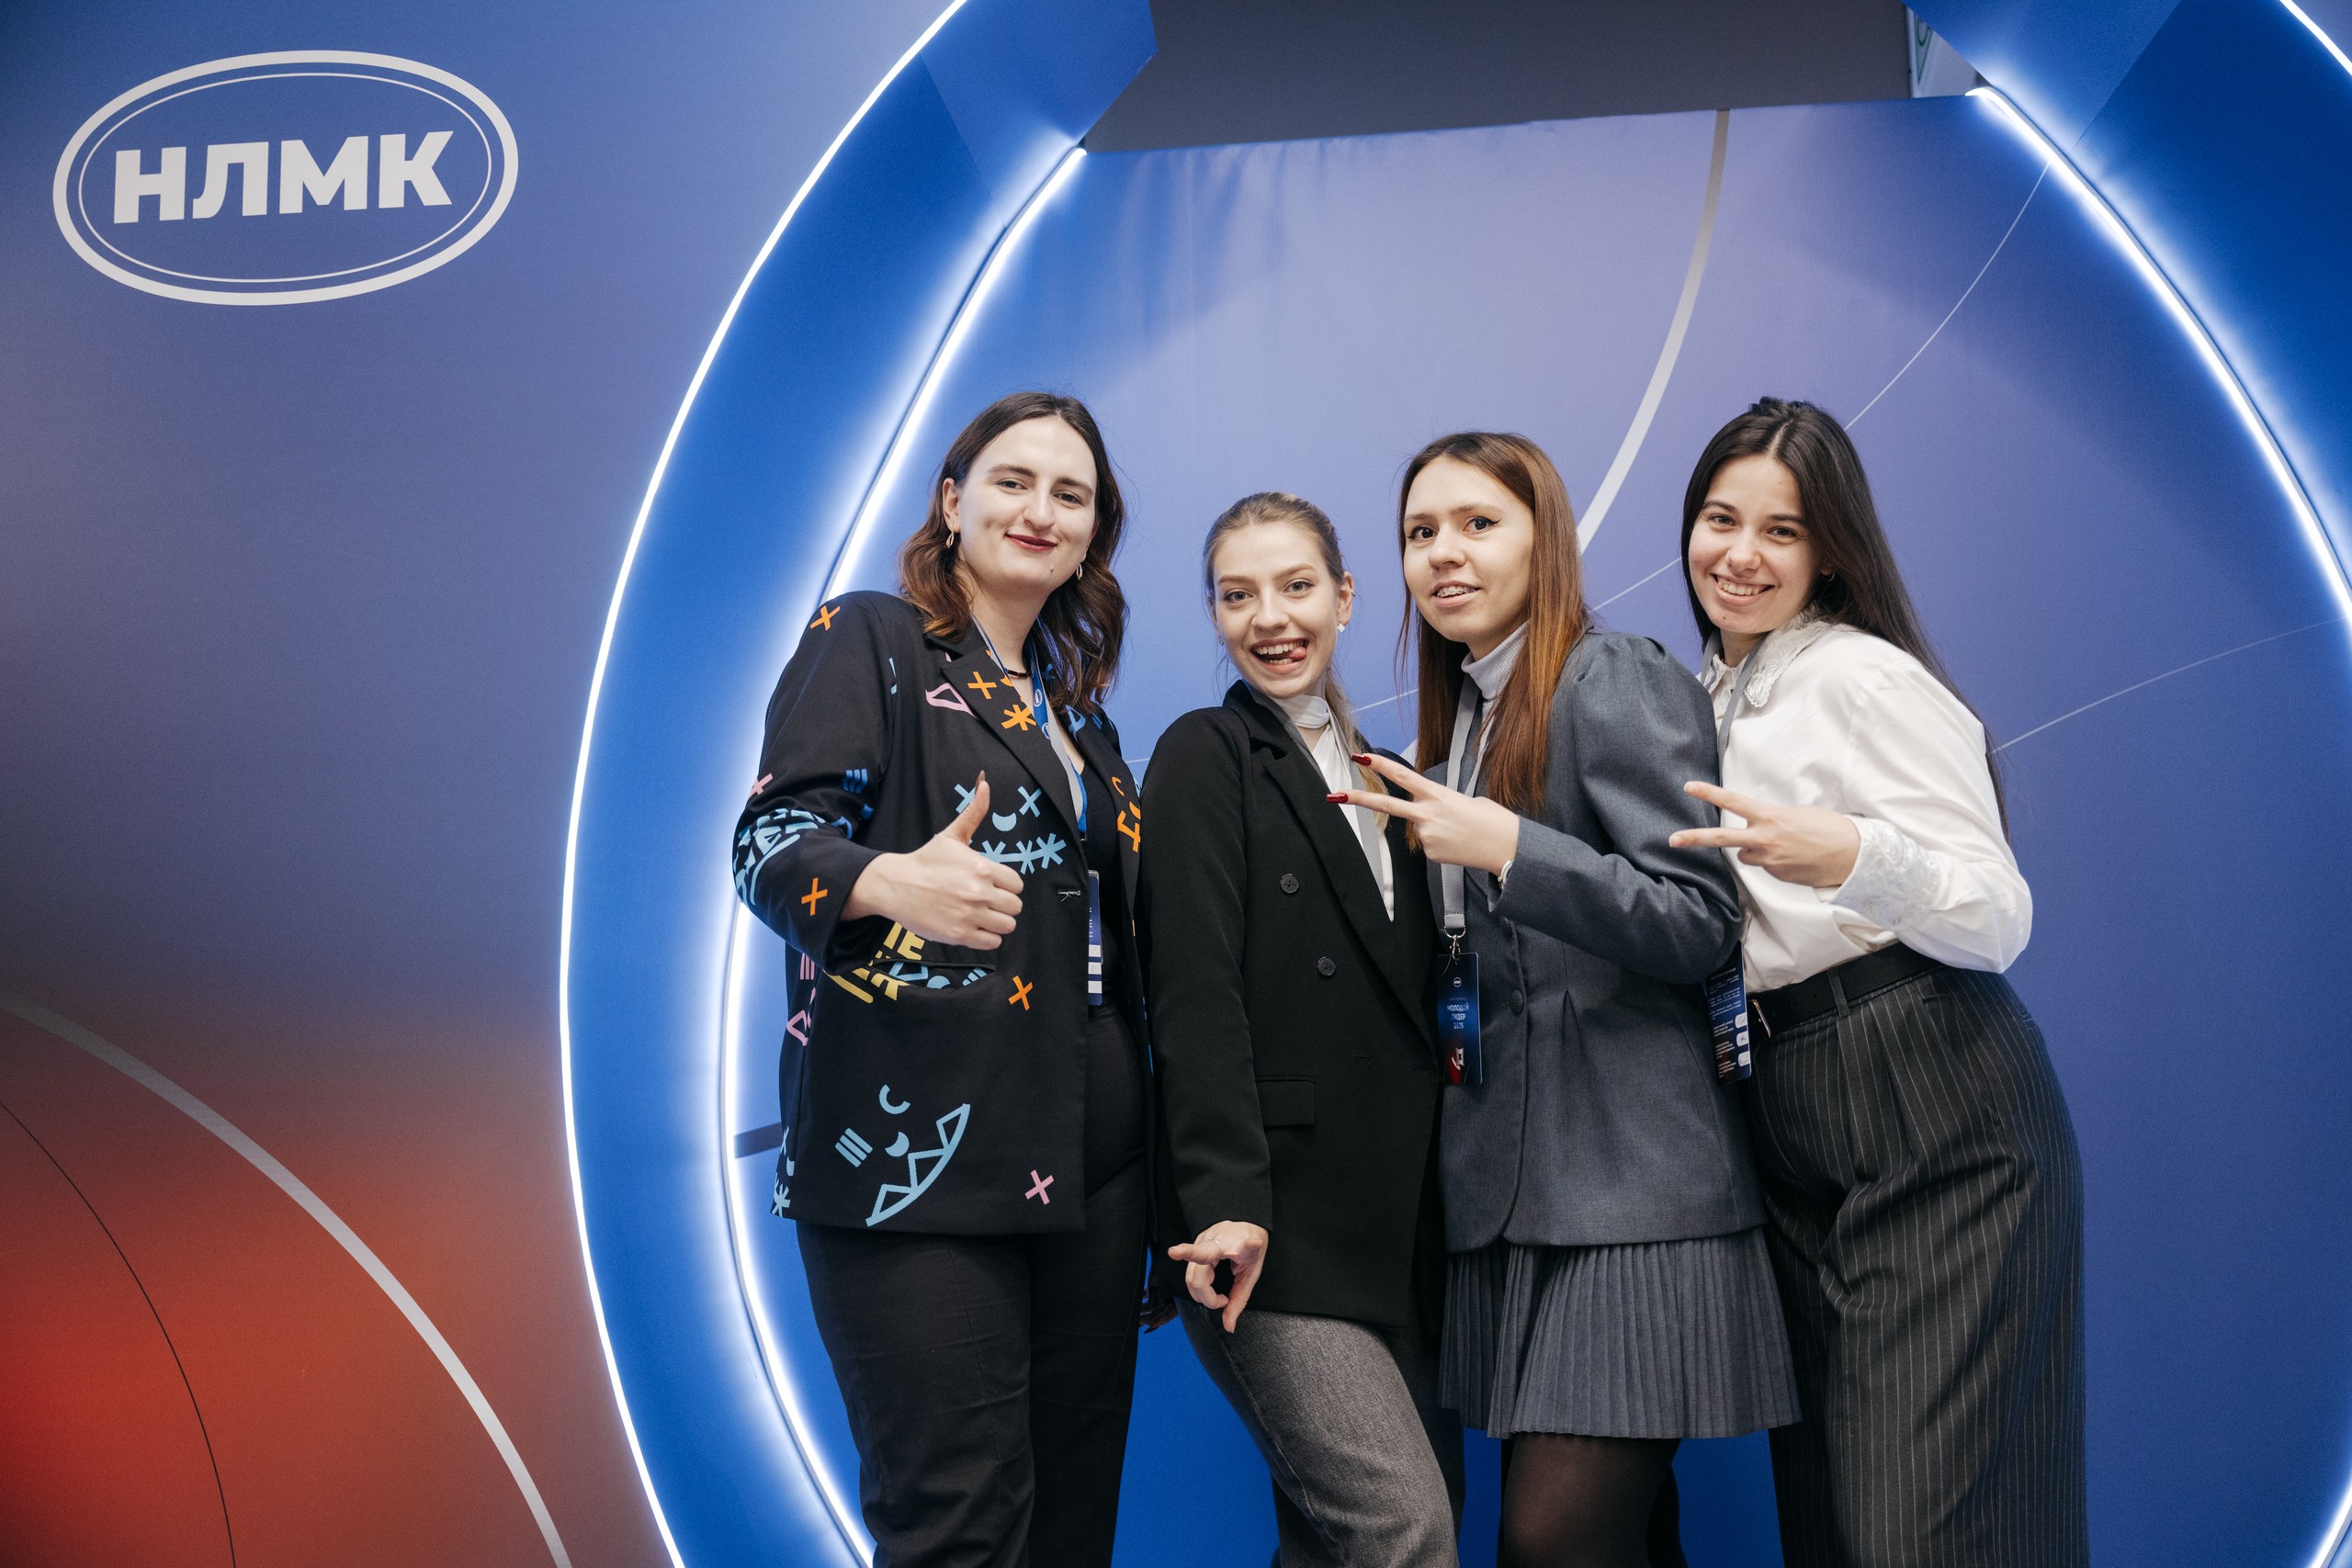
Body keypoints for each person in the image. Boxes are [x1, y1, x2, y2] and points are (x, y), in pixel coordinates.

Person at [1339, 433, 1799, 1568]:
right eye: (1419, 532)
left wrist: (1512, 849)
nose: (1443, 553)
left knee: (1550, 1542)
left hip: (1631, 1197)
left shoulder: (1613, 676)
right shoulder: (1459, 724)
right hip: (1514, 1200)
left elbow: (1699, 919)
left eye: (1477, 524)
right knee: (1622, 1542)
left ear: (1545, 540)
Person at [731, 390, 1152, 1568]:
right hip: (914, 1162)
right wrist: (885, 881)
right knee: (957, 1528)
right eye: (1013, 481)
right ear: (953, 502)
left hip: (1095, 1180)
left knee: (1070, 1530)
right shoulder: (869, 635)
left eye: (1071, 494)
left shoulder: (1083, 724)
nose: (1040, 510)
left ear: (1093, 536)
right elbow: (766, 844)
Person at [1664, 398, 2086, 1568]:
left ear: (1831, 551)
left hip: (1928, 1094)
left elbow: (1997, 914)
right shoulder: (1696, 698)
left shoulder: (1862, 678)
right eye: (1719, 519)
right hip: (1782, 1104)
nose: (1740, 555)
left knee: (1921, 1533)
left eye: (1782, 531)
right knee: (1834, 1528)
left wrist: (1852, 855)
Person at [1140, 492, 1464, 1568]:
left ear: (1345, 597)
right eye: (1237, 596)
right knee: (1403, 1529)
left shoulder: (1388, 776)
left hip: (1404, 1231)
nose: (1269, 618)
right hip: (1271, 1231)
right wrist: (1226, 1204)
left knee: (1342, 1547)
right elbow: (1194, 997)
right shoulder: (1206, 751)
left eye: (1295, 587)